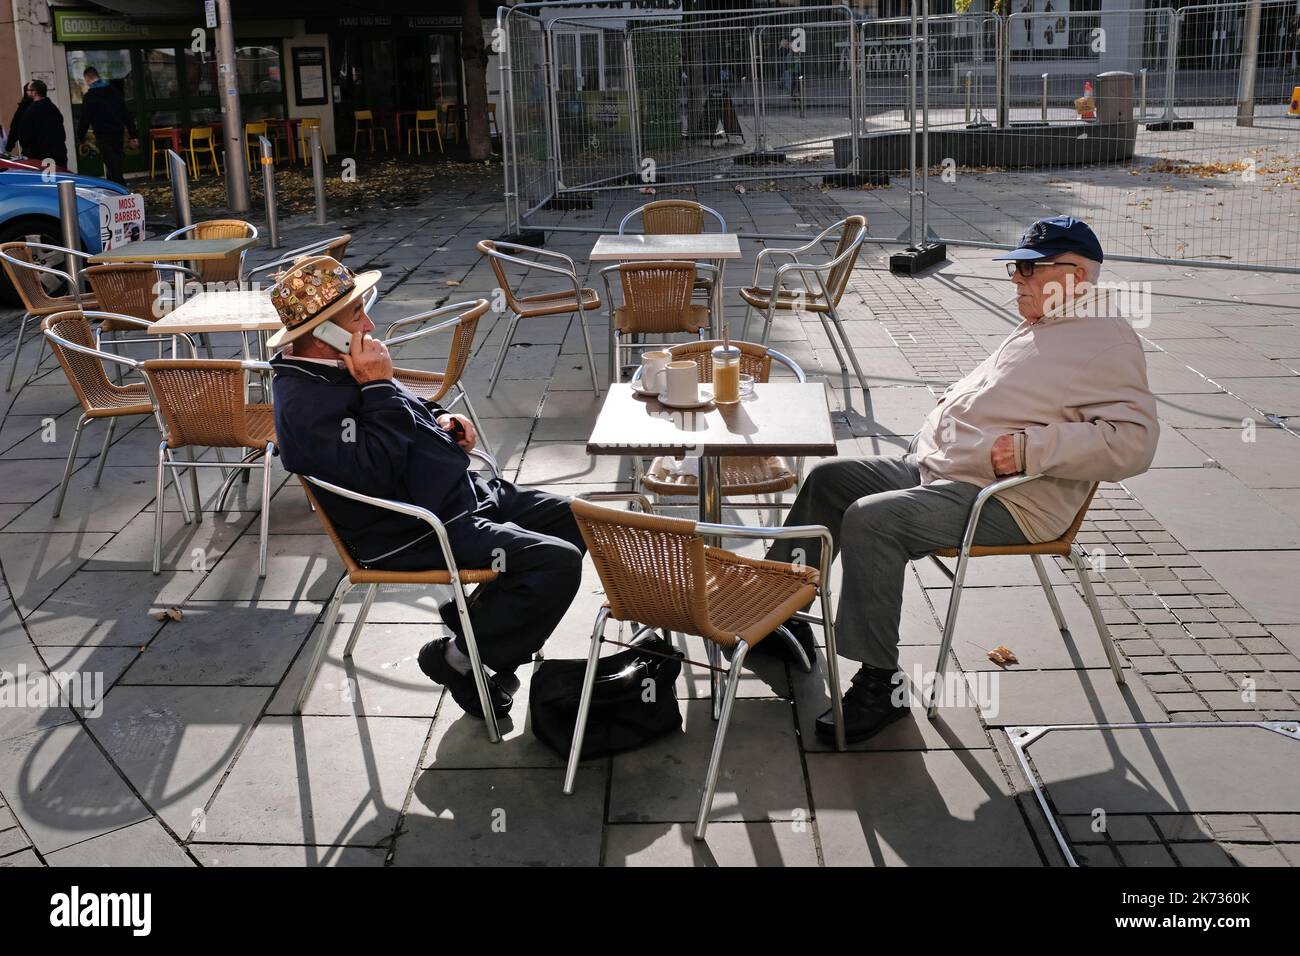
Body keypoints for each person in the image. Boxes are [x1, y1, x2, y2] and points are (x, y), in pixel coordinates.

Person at [763, 217, 1159, 744]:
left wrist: (1029, 450)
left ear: (1076, 274)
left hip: (1006, 502)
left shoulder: (1106, 340)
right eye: (1015, 267)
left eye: (1027, 268)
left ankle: (881, 684)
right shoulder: (1053, 319)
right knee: (832, 480)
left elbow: (1134, 443)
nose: (1015, 278)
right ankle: (778, 612)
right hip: (944, 470)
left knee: (873, 521)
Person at [267, 256, 587, 721]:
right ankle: (460, 659)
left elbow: (404, 411)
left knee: (581, 519)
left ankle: (473, 633)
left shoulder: (340, 364)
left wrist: (443, 421)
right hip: (416, 529)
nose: (371, 322)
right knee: (557, 561)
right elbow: (370, 471)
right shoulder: (304, 404)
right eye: (357, 315)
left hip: (461, 495)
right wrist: (377, 386)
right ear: (323, 333)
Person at [76, 67, 138, 185]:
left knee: (112, 166)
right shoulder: (114, 92)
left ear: (87, 79)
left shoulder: (90, 97)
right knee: (116, 165)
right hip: (118, 133)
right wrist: (133, 134)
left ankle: (121, 193)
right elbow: (125, 114)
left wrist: (80, 136)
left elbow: (84, 119)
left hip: (103, 135)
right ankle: (114, 191)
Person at [6, 80, 67, 169]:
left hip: (39, 157)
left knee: (43, 182)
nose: (27, 92)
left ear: (34, 93)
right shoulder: (53, 108)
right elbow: (61, 133)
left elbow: (23, 136)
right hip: (58, 154)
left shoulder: (30, 111)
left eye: (28, 90)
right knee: (59, 180)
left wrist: (10, 147)